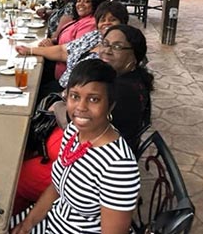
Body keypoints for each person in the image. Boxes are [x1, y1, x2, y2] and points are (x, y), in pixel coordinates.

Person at [14, 26, 153, 214]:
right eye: (104, 43)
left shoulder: (122, 92)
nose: (107, 50)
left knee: (15, 174)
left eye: (117, 47)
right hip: (79, 153)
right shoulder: (120, 80)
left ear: (134, 56)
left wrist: (60, 105)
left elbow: (78, 123)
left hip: (89, 166)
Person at [11, 60, 140, 234]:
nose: (81, 107)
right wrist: (28, 223)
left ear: (111, 105)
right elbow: (57, 186)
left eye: (93, 99)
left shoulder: (118, 166)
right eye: (75, 96)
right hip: (54, 218)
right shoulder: (73, 131)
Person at [17, 1, 129, 95]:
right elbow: (62, 51)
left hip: (73, 95)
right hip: (62, 84)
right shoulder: (94, 36)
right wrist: (29, 50)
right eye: (102, 20)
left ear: (123, 22)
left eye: (112, 19)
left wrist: (64, 96)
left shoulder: (117, 50)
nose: (106, 23)